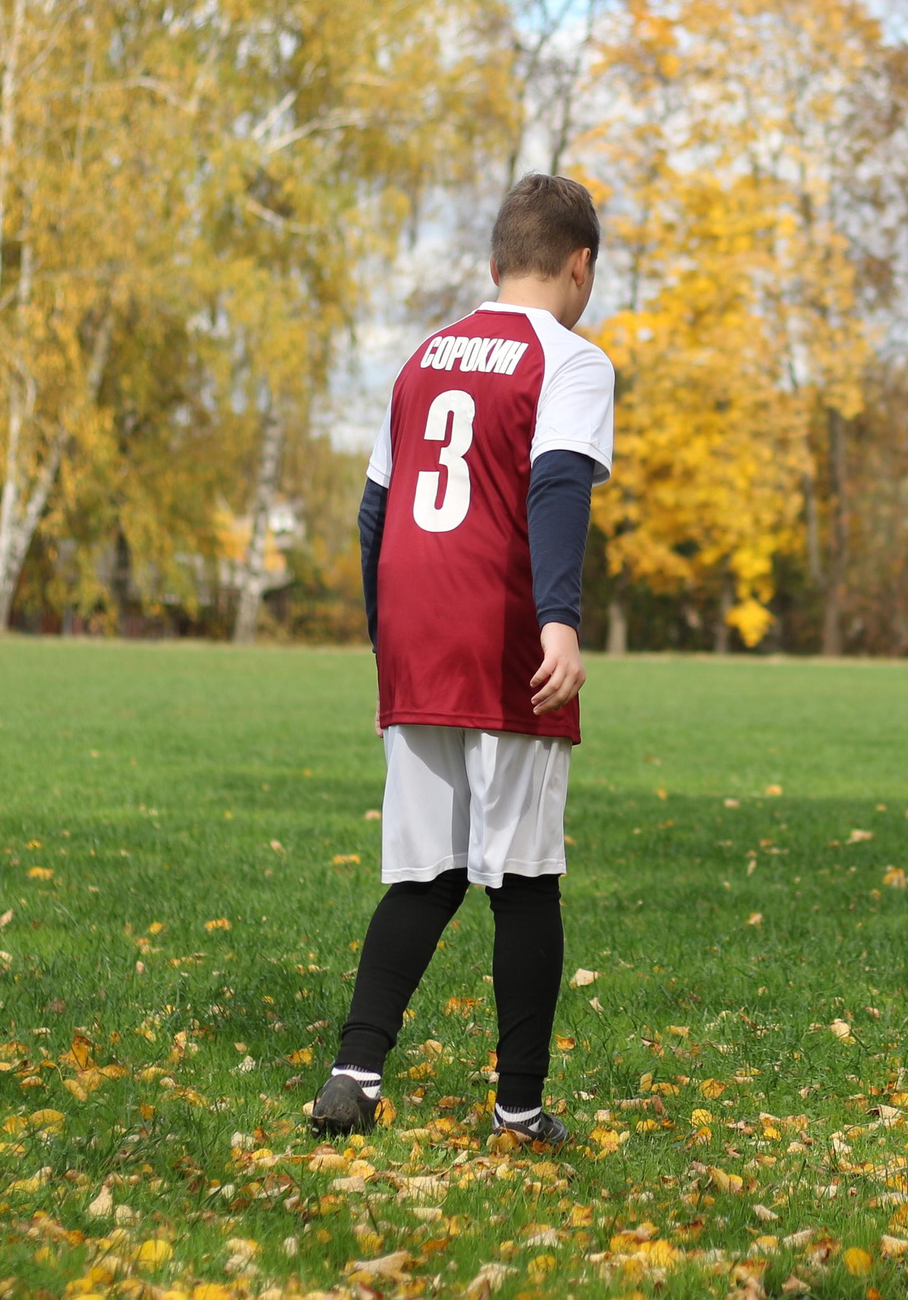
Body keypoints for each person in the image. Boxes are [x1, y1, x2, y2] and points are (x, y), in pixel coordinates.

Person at [307, 174, 616, 1145]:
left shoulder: (420, 359)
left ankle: (353, 1077)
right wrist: (558, 620)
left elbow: (373, 513)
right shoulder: (568, 359)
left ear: (493, 267)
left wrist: (381, 654)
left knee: (426, 873)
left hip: (413, 637)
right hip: (501, 635)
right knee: (524, 878)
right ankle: (518, 1107)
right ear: (581, 265)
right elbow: (558, 483)